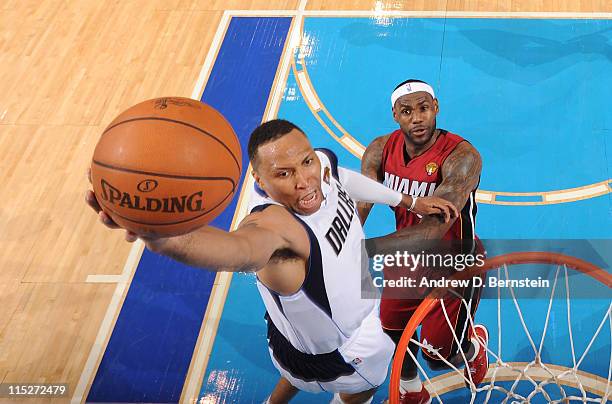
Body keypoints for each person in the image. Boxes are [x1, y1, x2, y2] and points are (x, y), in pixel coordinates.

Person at [86, 119, 458, 403]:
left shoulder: (321, 168)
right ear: (259, 178)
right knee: (366, 385)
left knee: (296, 371)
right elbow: (238, 250)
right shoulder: (274, 225)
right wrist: (161, 237)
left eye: (306, 162)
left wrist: (407, 202)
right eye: (284, 174)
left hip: (288, 343)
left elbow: (340, 176)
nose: (305, 181)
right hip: (350, 353)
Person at [358, 79, 489, 403]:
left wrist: (358, 251)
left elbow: (432, 232)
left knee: (438, 356)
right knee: (390, 334)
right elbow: (360, 203)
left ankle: (472, 348)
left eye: (423, 108)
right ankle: (413, 390)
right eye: (407, 111)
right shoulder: (379, 150)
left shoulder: (462, 156)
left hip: (454, 265)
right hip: (403, 261)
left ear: (436, 108)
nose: (417, 118)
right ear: (395, 115)